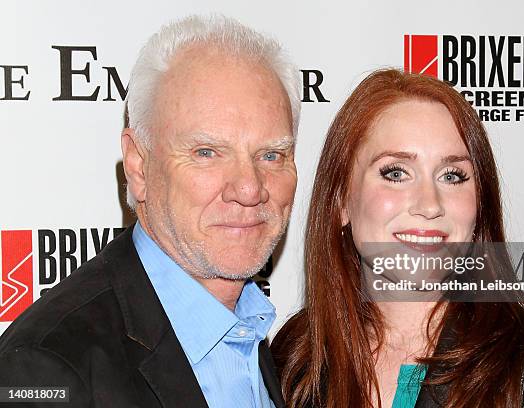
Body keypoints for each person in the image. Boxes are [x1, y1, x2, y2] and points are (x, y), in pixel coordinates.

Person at [0, 15, 300, 408]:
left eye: (272, 154)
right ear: (139, 166)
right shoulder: (48, 370)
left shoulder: (261, 335)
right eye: (206, 152)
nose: (249, 188)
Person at [271, 69, 524, 408]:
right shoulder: (297, 356)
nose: (429, 205)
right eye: (396, 173)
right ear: (341, 201)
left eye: (452, 175)